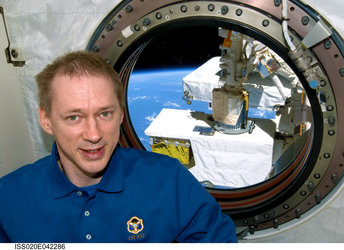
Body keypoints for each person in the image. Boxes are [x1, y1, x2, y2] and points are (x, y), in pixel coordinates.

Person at [0, 51, 237, 243]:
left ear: (121, 114)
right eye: (74, 117)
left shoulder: (167, 180)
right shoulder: (8, 198)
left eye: (105, 114)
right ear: (46, 120)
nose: (93, 135)